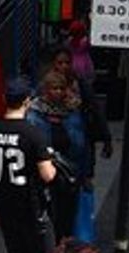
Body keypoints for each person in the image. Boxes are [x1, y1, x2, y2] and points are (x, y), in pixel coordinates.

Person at [0, 77, 57, 253]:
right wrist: (54, 164)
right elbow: (48, 175)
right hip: (30, 206)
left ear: (5, 98)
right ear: (27, 101)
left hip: (4, 205)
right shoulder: (33, 134)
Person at [27, 70, 88, 240]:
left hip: (68, 175)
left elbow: (81, 146)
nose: (59, 92)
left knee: (66, 221)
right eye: (54, 88)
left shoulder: (73, 111)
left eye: (62, 88)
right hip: (43, 175)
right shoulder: (35, 114)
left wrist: (85, 175)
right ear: (46, 90)